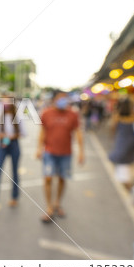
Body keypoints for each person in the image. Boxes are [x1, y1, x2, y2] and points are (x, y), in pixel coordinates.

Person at [36, 90, 85, 223]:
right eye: (60, 98)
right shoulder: (46, 113)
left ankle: (57, 203)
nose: (63, 101)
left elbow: (78, 133)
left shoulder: (72, 115)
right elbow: (42, 132)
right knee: (48, 178)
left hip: (66, 153)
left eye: (65, 98)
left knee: (62, 179)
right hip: (49, 152)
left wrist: (81, 151)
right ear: (54, 100)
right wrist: (39, 148)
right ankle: (49, 207)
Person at [108, 98, 134, 191]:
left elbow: (113, 129)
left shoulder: (117, 116)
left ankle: (127, 186)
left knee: (122, 165)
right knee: (129, 163)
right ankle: (129, 184)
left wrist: (114, 138)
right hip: (132, 144)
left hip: (121, 143)